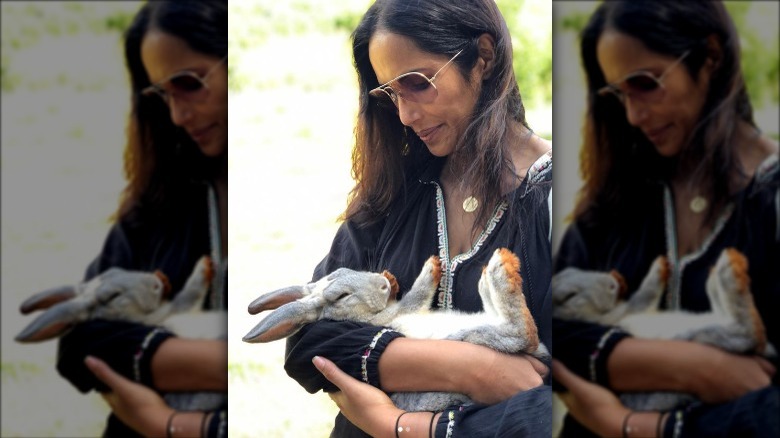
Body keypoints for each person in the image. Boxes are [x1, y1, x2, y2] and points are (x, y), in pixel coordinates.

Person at [281, 0, 554, 436]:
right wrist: (473, 369)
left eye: (417, 83)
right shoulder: (394, 193)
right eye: (390, 93)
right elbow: (307, 338)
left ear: (483, 56)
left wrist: (400, 423)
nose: (405, 116)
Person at [551, 1, 779, 437]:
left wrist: (630, 424)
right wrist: (695, 367)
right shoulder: (617, 196)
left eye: (645, 83)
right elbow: (544, 333)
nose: (633, 116)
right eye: (618, 93)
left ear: (710, 57)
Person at [51, 1, 228, 437]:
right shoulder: (164, 198)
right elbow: (78, 345)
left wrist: (167, 422)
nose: (177, 115)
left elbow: (311, 353)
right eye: (163, 93)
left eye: (189, 83)